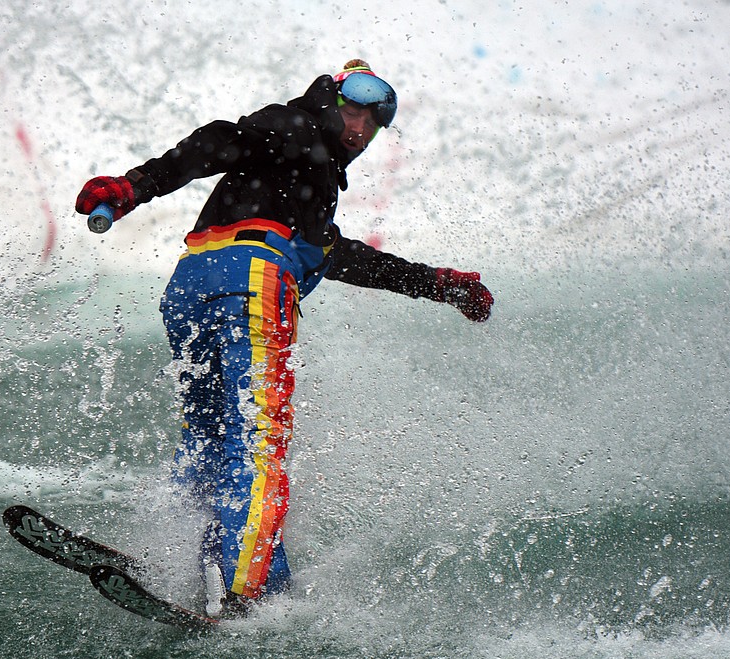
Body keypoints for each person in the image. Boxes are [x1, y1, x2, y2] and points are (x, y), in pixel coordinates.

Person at [75, 60, 493, 617]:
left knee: (211, 440)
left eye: (374, 123)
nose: (360, 129)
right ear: (329, 98)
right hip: (250, 279)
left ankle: (193, 564)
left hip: (191, 285)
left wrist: (435, 285)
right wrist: (137, 186)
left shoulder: (304, 181)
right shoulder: (294, 127)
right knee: (257, 441)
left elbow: (337, 255)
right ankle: (249, 598)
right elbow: (219, 142)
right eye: (353, 110)